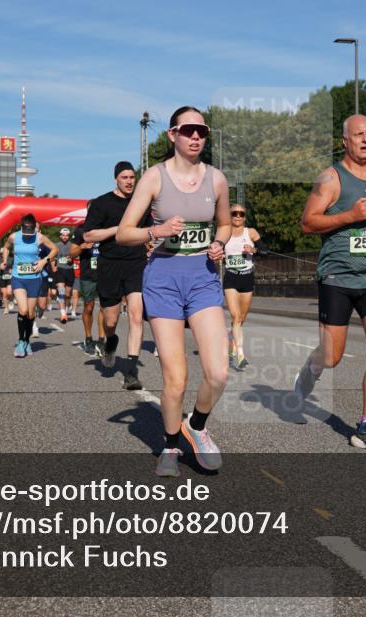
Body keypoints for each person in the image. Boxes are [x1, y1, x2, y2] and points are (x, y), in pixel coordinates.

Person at [116, 105, 231, 477]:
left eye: (202, 131)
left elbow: (226, 225)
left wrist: (219, 243)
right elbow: (123, 232)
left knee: (218, 373)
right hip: (163, 278)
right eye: (188, 130)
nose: (196, 136)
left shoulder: (216, 180)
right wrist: (157, 232)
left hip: (202, 276)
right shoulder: (154, 177)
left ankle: (195, 426)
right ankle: (169, 446)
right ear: (172, 135)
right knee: (176, 379)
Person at [294, 114, 366, 452]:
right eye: (358, 135)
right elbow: (307, 223)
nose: (365, 140)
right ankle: (310, 371)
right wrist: (348, 216)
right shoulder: (329, 179)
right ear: (344, 140)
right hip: (337, 276)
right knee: (331, 356)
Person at [82, 161, 150, 390]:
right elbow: (89, 235)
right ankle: (111, 340)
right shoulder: (102, 203)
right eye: (125, 177)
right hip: (109, 265)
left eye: (132, 177)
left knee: (136, 315)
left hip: (136, 264)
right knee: (110, 320)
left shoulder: (142, 204)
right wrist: (119, 229)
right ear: (116, 179)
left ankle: (131, 372)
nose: (129, 181)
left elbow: (150, 232)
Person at [1, 214, 58, 357]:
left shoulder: (39, 237)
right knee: (23, 309)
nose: (28, 235)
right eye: (26, 232)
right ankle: (20, 341)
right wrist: (5, 260)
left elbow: (55, 249)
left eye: (30, 232)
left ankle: (27, 341)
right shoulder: (14, 237)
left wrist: (44, 260)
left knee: (31, 313)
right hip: (18, 277)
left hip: (34, 278)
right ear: (21, 227)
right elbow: (6, 247)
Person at [222, 204, 262, 370]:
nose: (237, 216)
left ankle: (232, 337)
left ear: (244, 216)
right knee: (236, 316)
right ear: (229, 215)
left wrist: (253, 249)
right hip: (231, 277)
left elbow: (265, 250)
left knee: (242, 318)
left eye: (241, 214)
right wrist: (219, 253)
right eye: (234, 213)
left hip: (247, 278)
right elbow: (213, 247)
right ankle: (240, 354)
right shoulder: (224, 233)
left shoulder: (250, 232)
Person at [72, 224, 106, 357]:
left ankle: (102, 341)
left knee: (105, 307)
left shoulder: (107, 227)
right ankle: (88, 338)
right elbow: (71, 253)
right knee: (89, 307)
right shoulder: (81, 230)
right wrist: (81, 247)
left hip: (105, 274)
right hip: (88, 275)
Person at [54, 228, 78, 323]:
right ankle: (63, 314)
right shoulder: (56, 245)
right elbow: (53, 258)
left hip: (69, 270)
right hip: (60, 270)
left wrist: (71, 258)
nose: (64, 237)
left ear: (69, 236)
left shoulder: (72, 246)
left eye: (66, 235)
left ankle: (66, 308)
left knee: (68, 295)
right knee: (62, 292)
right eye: (63, 235)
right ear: (60, 236)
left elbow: (76, 255)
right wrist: (53, 267)